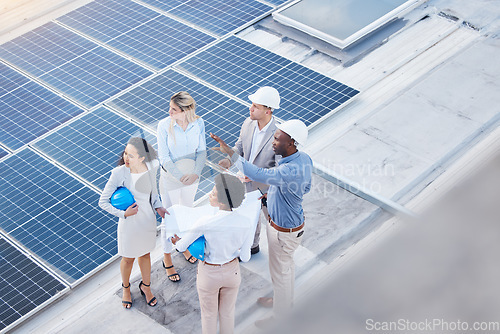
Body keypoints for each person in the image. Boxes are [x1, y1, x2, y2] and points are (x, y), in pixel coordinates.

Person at [211, 119, 313, 327]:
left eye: (277, 138)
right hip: (291, 228)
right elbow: (306, 187)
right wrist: (273, 195)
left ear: (291, 142)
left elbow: (259, 174)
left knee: (281, 273)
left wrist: (231, 153)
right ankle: (283, 302)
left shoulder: (287, 171)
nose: (273, 142)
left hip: (283, 232)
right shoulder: (304, 159)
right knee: (286, 268)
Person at [171, 173, 252, 334]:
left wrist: (176, 241)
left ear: (221, 201)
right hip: (232, 273)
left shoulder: (205, 222)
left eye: (214, 193)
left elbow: (181, 247)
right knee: (227, 314)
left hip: (209, 274)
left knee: (208, 316)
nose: (210, 194)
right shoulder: (246, 222)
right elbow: (245, 257)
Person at [98, 137, 168, 309]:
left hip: (147, 221)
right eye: (125, 153)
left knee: (145, 255)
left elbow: (154, 195)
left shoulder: (151, 169)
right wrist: (124, 213)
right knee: (128, 259)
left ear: (142, 158)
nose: (126, 158)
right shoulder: (119, 173)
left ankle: (146, 287)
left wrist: (159, 207)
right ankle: (126, 289)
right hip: (129, 224)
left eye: (131, 155)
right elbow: (103, 201)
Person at [218, 86, 279, 255]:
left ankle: (281, 247)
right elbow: (239, 146)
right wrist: (229, 159)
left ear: (268, 111)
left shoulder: (279, 136)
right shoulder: (248, 123)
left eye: (256, 106)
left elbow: (280, 170)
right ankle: (252, 246)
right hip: (245, 184)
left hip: (266, 189)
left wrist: (256, 177)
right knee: (250, 218)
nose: (250, 108)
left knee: (273, 221)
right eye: (252, 104)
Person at [157, 91, 207, 282]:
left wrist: (195, 173)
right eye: (170, 108)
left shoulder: (198, 123)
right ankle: (167, 257)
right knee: (169, 219)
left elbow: (201, 152)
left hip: (192, 179)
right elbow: (164, 157)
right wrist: (181, 177)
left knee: (186, 215)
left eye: (174, 109)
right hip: (171, 179)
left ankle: (183, 245)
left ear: (187, 110)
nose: (169, 112)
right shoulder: (164, 126)